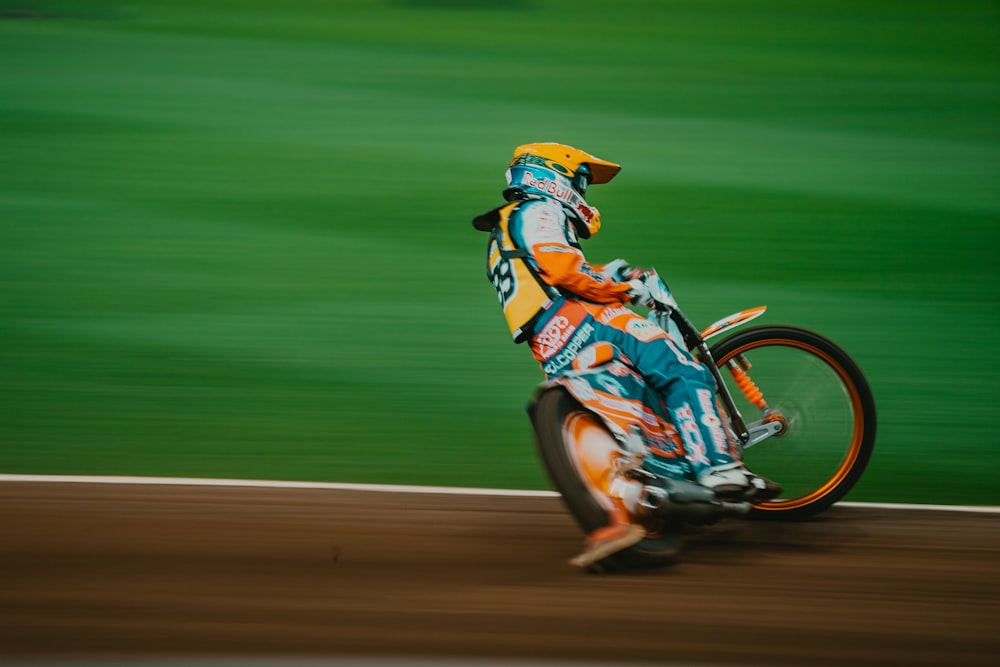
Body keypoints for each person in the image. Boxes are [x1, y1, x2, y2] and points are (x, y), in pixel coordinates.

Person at [473, 142, 778, 567]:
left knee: (638, 405)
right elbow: (563, 271)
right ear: (553, 179)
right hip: (585, 319)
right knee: (681, 369)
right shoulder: (540, 210)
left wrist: (613, 272)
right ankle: (720, 468)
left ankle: (651, 490)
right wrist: (620, 289)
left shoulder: (505, 228)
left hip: (552, 341)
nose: (584, 193)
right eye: (580, 182)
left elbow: (550, 273)